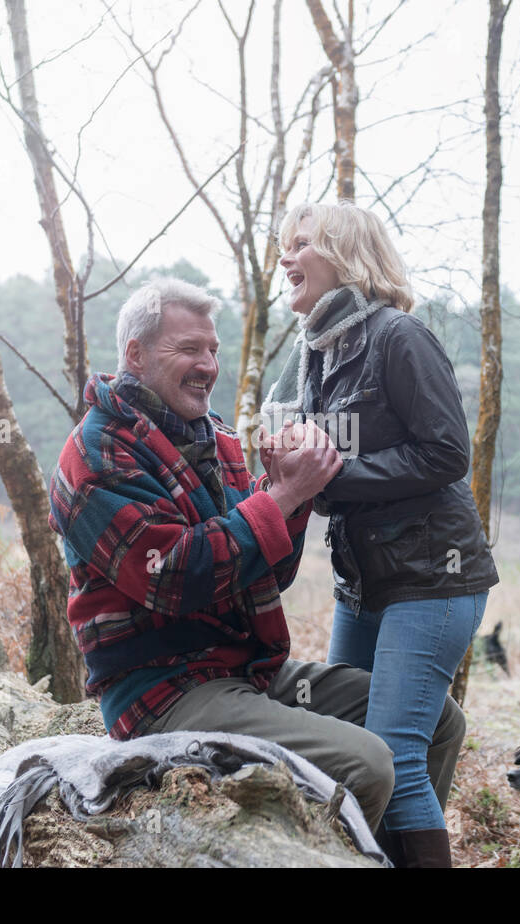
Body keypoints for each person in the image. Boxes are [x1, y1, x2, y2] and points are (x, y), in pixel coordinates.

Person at [47, 276, 467, 839]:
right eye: (189, 349)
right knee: (364, 765)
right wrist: (283, 497)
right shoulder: (95, 454)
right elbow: (175, 577)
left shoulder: (215, 436)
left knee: (437, 719)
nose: (208, 365)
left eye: (213, 350)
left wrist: (288, 492)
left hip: (248, 671)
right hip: (165, 694)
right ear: (136, 354)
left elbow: (267, 572)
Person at [261, 203, 499, 868]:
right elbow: (317, 463)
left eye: (301, 243)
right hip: (362, 585)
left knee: (394, 754)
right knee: (348, 744)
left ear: (345, 254)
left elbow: (448, 453)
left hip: (432, 578)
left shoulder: (398, 337)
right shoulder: (317, 354)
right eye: (283, 245)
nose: (285, 258)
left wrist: (332, 475)